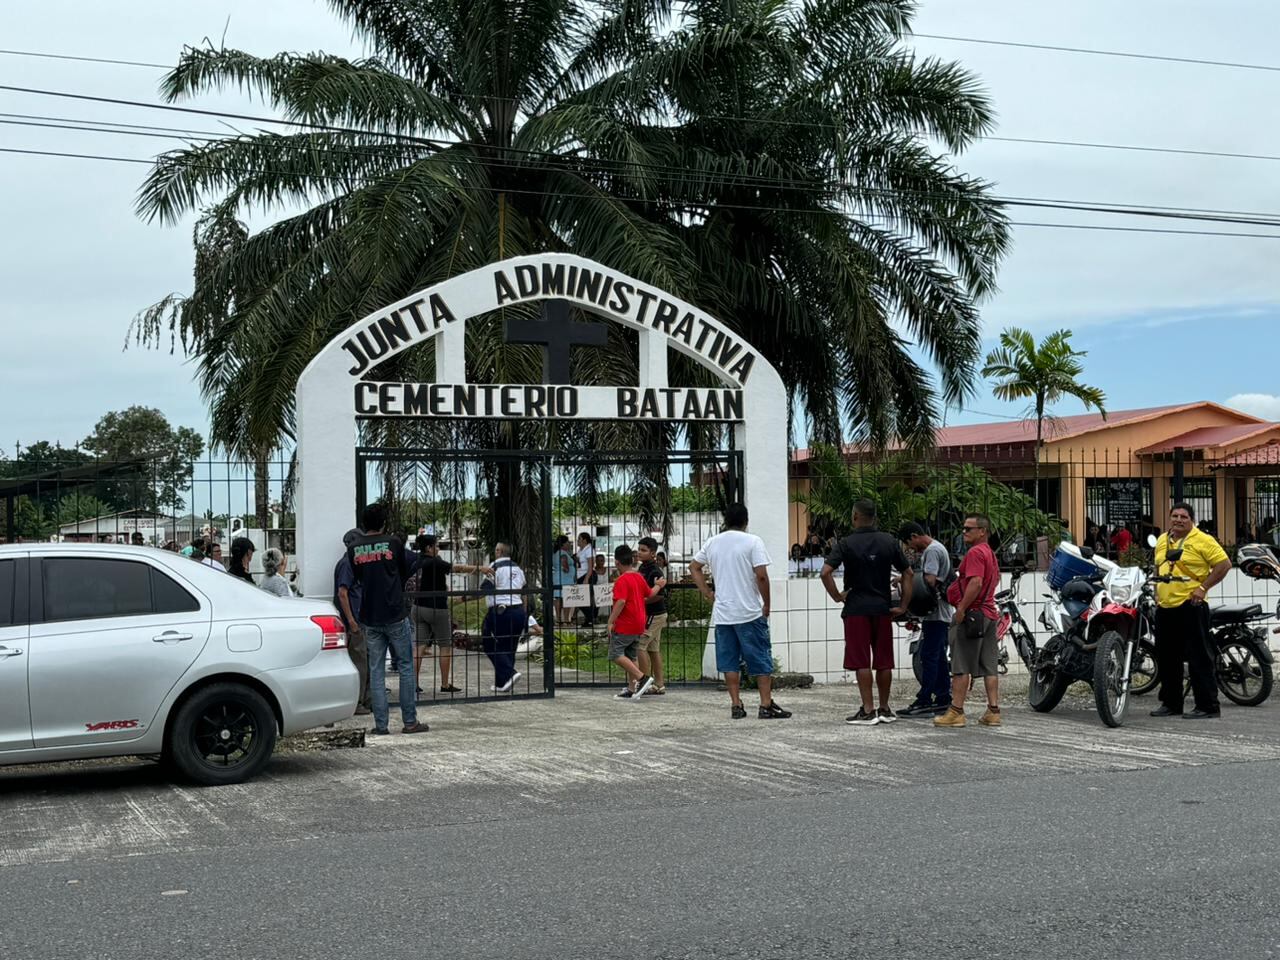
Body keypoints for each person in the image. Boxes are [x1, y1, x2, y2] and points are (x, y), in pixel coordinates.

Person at [690, 503, 791, 720]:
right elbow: (761, 576)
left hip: (724, 614)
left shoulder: (712, 543)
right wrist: (767, 604)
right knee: (760, 658)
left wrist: (708, 593)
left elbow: (694, 567)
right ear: (746, 521)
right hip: (749, 612)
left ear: (725, 520)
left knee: (729, 660)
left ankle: (736, 704)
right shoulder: (753, 542)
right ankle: (765, 704)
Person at [821, 500, 911, 726]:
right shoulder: (889, 541)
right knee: (884, 661)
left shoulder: (846, 543)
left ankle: (868, 710)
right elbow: (908, 573)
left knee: (861, 661)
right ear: (875, 517)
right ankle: (885, 708)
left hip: (856, 609)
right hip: (882, 609)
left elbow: (825, 572)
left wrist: (837, 596)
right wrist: (903, 606)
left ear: (855, 517)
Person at [347, 504, 428, 735]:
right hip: (394, 613)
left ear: (364, 523)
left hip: (369, 616)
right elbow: (406, 568)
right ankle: (409, 722)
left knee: (376, 669)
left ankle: (381, 725)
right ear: (383, 522)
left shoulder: (354, 549)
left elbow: (357, 577)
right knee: (405, 666)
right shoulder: (393, 543)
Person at [1150, 502, 1231, 720]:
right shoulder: (1162, 540)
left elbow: (1224, 564)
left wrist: (1203, 588)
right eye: (1174, 516)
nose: (1178, 520)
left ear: (1191, 520)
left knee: (1199, 656)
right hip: (1165, 606)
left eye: (1183, 517)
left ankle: (1207, 706)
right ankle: (1171, 703)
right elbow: (1158, 567)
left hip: (1191, 604)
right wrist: (1157, 592)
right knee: (1167, 657)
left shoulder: (1203, 540)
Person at [935, 514, 1001, 728]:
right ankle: (993, 711)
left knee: (960, 664)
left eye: (968, 529)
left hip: (973, 614)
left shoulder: (974, 553)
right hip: (989, 614)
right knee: (990, 666)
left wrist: (962, 608)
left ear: (982, 531)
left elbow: (976, 582)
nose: (964, 532)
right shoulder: (990, 553)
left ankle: (956, 711)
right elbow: (992, 580)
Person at [409, 534, 487, 695]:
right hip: (436, 608)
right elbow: (456, 568)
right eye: (436, 546)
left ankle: (413, 684)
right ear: (429, 548)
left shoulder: (416, 562)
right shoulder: (435, 561)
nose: (438, 549)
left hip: (417, 608)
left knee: (419, 647)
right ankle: (445, 684)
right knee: (445, 646)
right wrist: (480, 568)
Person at [897, 521, 953, 717]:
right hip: (941, 613)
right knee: (937, 656)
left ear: (914, 536)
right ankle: (943, 698)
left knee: (928, 656)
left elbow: (929, 580)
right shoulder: (938, 548)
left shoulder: (931, 551)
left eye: (908, 543)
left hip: (935, 613)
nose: (911, 548)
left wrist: (908, 583)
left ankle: (925, 699)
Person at [607, 544, 665, 700]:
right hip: (639, 623)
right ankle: (632, 689)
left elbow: (620, 602)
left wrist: (611, 621)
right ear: (632, 560)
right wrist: (659, 585)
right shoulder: (638, 577)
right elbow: (650, 593)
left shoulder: (621, 580)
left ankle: (642, 678)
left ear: (617, 562)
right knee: (631, 655)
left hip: (626, 624)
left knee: (615, 654)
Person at [333, 528, 371, 716]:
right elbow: (343, 593)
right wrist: (352, 622)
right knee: (359, 662)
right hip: (354, 621)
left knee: (364, 660)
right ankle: (357, 702)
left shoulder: (352, 562)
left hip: (359, 619)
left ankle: (366, 699)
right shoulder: (348, 563)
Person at [482, 541, 527, 694]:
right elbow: (523, 589)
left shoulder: (495, 566)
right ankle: (502, 683)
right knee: (509, 647)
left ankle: (510, 673)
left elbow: (486, 587)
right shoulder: (518, 568)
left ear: (499, 551)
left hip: (501, 611)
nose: (495, 552)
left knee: (488, 642)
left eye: (496, 550)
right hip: (518, 610)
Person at [636, 536, 669, 695]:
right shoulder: (642, 568)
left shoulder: (655, 571)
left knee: (640, 645)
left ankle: (644, 681)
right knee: (653, 649)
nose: (640, 553)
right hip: (651, 614)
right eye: (639, 549)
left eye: (644, 550)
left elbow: (660, 594)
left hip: (654, 614)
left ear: (653, 553)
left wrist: (641, 602)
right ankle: (659, 684)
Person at [551, 534, 576, 625]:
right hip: (565, 579)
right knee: (566, 599)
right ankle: (566, 619)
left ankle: (558, 619)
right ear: (563, 544)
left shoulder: (556, 553)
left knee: (558, 598)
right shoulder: (563, 553)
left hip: (559, 578)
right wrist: (568, 568)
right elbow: (565, 567)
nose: (569, 544)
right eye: (567, 542)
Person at [576, 533, 598, 627]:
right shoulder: (580, 550)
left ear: (585, 540)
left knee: (583, 600)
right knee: (580, 599)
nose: (578, 540)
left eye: (579, 539)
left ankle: (590, 619)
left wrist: (586, 578)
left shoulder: (589, 550)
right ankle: (589, 619)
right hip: (580, 575)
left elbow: (591, 565)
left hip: (587, 575)